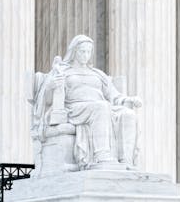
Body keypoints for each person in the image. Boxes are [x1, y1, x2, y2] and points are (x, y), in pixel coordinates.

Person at [33, 35, 142, 170]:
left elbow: (114, 96)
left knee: (128, 114)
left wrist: (128, 100)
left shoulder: (98, 74)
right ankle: (101, 156)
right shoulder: (63, 71)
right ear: (74, 52)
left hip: (101, 108)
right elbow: (46, 99)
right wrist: (51, 85)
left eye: (88, 52)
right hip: (74, 108)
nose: (86, 55)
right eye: (82, 51)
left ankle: (126, 161)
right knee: (101, 107)